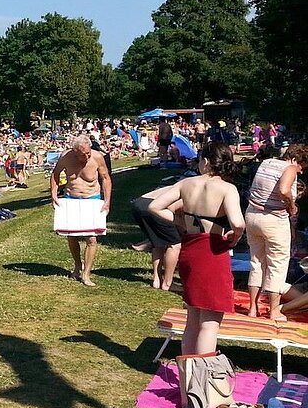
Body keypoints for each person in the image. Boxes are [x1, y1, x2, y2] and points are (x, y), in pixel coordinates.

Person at [148, 142, 245, 356]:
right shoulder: (227, 189)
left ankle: (188, 378)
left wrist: (182, 222)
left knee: (192, 320)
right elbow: (238, 223)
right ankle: (202, 377)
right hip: (213, 251)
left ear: (206, 161)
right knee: (210, 323)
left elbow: (154, 206)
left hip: (190, 250)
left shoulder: (186, 184)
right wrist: (234, 238)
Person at [245, 144, 307, 320]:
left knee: (257, 262)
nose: (301, 171)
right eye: (302, 166)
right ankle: (273, 311)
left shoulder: (266, 163)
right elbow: (284, 190)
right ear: (295, 159)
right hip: (273, 220)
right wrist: (291, 205)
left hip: (252, 215)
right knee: (277, 266)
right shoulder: (289, 168)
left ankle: (252, 308)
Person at [50, 135, 113, 287]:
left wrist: (107, 201)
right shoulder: (66, 157)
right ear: (74, 151)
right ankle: (78, 266)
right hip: (71, 198)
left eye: (88, 153)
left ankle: (87, 273)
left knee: (91, 238)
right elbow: (55, 174)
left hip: (92, 198)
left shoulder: (97, 157)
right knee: (71, 236)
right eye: (82, 154)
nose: (86, 157)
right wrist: (53, 195)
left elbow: (106, 178)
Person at [130, 186, 183, 291]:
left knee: (158, 241)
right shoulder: (195, 194)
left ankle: (157, 279)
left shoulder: (187, 184)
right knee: (175, 245)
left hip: (139, 203)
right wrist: (182, 225)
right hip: (153, 206)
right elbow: (172, 208)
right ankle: (168, 283)